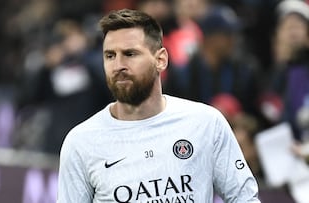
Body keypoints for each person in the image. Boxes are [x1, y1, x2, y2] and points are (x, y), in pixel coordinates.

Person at [57, 9, 260, 203]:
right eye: (110, 55)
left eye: (130, 54)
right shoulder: (82, 142)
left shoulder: (206, 123)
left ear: (160, 60)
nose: (118, 65)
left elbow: (244, 197)